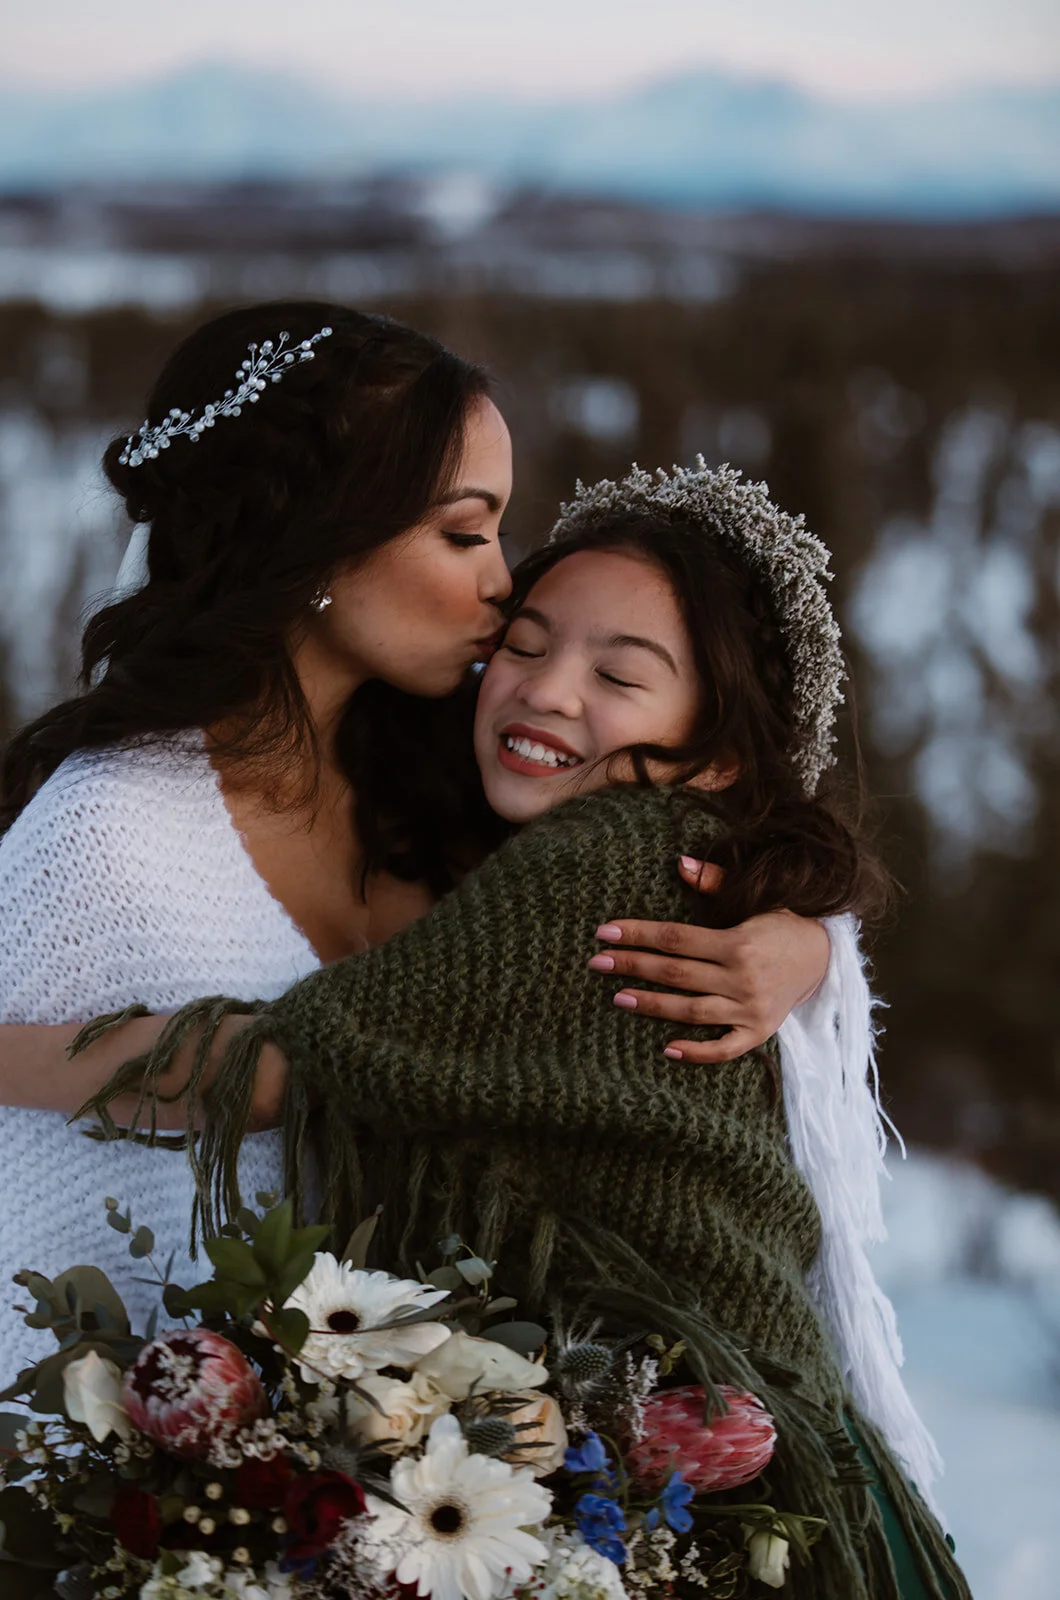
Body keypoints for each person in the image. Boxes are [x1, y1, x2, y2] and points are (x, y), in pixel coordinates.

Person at [81, 465, 966, 1599]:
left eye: (618, 673)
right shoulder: (674, 856)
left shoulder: (604, 862)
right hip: (756, 1471)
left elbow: (276, 1068)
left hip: (703, 1496)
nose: (546, 691)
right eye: (529, 644)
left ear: (720, 746)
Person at [0, 304, 827, 1384]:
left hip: (561, 1418)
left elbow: (692, 826)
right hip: (259, 1450)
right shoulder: (103, 835)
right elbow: (46, 1194)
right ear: (320, 539)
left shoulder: (480, 763)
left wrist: (800, 944)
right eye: (463, 530)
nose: (502, 580)